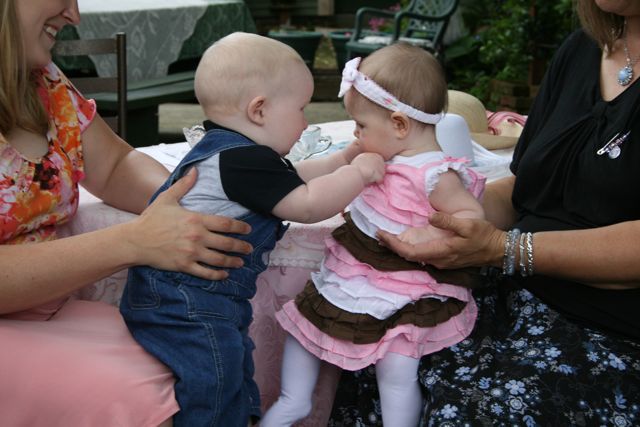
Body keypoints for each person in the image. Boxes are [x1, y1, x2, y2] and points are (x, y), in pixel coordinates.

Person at [329, 1, 640, 425]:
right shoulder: (582, 49)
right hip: (512, 294)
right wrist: (425, 213)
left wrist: (503, 248)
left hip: (608, 329)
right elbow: (527, 189)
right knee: (369, 351)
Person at [0, 1, 256, 425]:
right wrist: (133, 241)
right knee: (153, 398)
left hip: (48, 313)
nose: (74, 15)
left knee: (206, 362)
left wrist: (194, 203)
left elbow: (115, 165)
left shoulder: (43, 81)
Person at [119, 32, 385, 427]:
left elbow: (293, 179)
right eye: (301, 109)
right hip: (185, 300)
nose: (305, 122)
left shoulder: (236, 155)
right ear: (259, 110)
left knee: (234, 370)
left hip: (195, 297)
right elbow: (307, 203)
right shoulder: (241, 161)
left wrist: (343, 159)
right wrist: (359, 173)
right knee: (214, 382)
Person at [262, 44, 486, 427]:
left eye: (361, 125)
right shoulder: (382, 153)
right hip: (354, 274)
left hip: (405, 287)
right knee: (305, 327)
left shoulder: (434, 174)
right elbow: (330, 172)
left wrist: (429, 230)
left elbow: (472, 215)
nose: (355, 133)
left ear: (399, 125)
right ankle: (291, 402)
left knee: (396, 372)